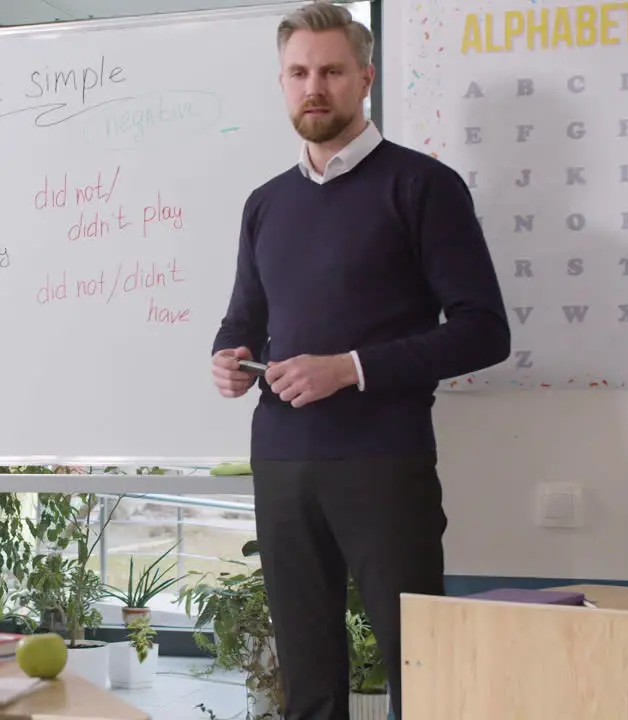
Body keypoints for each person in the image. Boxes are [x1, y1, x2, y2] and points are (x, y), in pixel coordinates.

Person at [210, 2, 510, 719]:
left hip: (383, 461)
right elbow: (245, 317)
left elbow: (484, 332)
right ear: (283, 82)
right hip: (281, 460)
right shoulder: (265, 204)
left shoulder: (423, 187)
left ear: (364, 78)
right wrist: (229, 356)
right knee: (307, 680)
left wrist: (348, 368)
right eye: (299, 72)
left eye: (332, 71)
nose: (315, 86)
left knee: (423, 665)